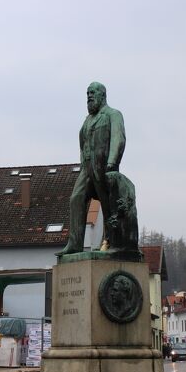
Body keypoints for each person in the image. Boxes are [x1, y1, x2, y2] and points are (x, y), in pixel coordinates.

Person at [56, 82, 127, 256]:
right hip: (87, 168)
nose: (89, 96)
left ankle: (111, 241)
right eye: (87, 93)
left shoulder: (113, 114)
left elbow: (119, 139)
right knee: (76, 198)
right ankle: (75, 243)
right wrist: (82, 163)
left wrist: (112, 163)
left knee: (108, 206)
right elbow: (82, 143)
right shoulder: (87, 120)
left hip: (104, 166)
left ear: (103, 95)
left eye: (93, 93)